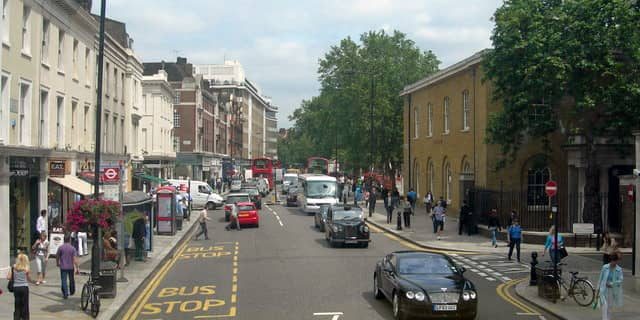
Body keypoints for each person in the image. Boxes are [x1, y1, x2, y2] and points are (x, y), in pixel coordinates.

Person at [597, 251, 623, 320]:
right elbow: (600, 278)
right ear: (610, 260)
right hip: (603, 289)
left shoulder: (619, 269)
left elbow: (620, 280)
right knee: (604, 305)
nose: (613, 263)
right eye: (612, 261)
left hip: (612, 290)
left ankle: (608, 318)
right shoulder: (605, 267)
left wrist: (611, 283)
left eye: (615, 261)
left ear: (617, 261)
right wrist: (597, 289)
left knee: (610, 306)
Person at [7, 252, 31, 319]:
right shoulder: (26, 268)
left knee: (17, 304)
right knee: (25, 304)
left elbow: (8, 277)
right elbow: (28, 278)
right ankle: (25, 317)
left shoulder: (13, 267)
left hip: (16, 288)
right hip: (24, 287)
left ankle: (17, 317)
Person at [56, 234, 79, 299]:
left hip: (63, 266)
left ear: (64, 239)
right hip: (70, 267)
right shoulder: (73, 248)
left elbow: (57, 256)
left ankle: (65, 293)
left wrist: (57, 263)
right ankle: (72, 291)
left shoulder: (61, 247)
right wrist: (77, 267)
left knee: (64, 280)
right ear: (69, 240)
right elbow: (75, 259)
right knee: (71, 279)